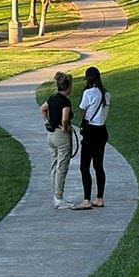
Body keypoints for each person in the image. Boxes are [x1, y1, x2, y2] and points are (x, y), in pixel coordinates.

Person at [76, 66, 111, 210]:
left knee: (84, 166)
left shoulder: (88, 93)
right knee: (98, 165)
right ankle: (99, 198)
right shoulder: (107, 94)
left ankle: (86, 200)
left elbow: (82, 112)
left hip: (90, 131)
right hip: (102, 130)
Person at [39, 71, 75, 209]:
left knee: (54, 165)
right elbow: (65, 117)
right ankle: (59, 198)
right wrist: (66, 128)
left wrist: (48, 122)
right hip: (62, 136)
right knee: (62, 167)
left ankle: (55, 195)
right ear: (67, 86)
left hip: (51, 135)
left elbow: (43, 109)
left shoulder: (52, 97)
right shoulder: (65, 101)